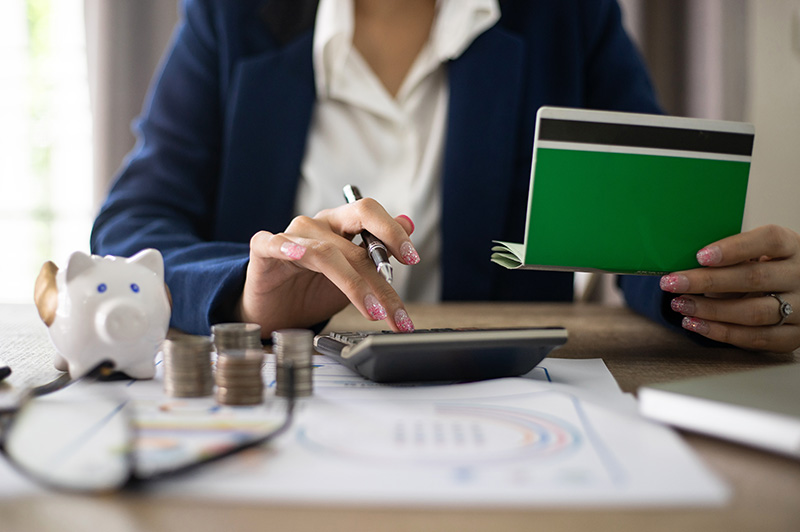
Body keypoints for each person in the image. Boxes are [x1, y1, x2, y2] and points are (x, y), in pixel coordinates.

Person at [91, 0, 800, 353]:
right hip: (285, 397)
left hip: (511, 403)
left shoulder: (567, 16)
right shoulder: (230, 17)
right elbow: (130, 231)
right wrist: (246, 294)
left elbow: (642, 232)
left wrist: (716, 293)